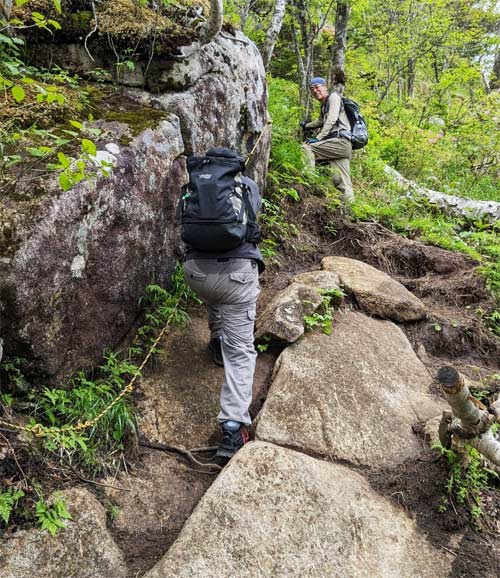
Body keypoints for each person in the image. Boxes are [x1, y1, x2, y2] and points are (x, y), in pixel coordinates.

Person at [182, 147, 264, 461]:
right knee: (241, 349)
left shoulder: (194, 185)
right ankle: (232, 427)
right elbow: (250, 224)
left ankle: (217, 338)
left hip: (196, 274)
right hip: (236, 274)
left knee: (215, 293)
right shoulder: (247, 185)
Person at [301, 77, 354, 203]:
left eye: (317, 87)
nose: (315, 90)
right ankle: (350, 210)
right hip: (341, 145)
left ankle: (307, 183)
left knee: (306, 147)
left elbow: (332, 119)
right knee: (341, 181)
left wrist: (317, 138)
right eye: (312, 89)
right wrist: (306, 126)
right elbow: (320, 121)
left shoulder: (334, 97)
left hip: (339, 141)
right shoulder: (324, 105)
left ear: (325, 86)